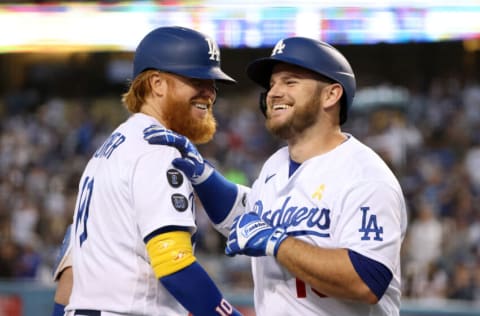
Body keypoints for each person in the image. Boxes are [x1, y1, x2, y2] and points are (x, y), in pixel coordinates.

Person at [144, 36, 408, 315]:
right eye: (272, 84)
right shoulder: (275, 166)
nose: (274, 92)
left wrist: (277, 242)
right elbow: (247, 221)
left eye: (290, 82)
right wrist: (204, 176)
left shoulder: (365, 176)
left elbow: (366, 281)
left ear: (331, 94)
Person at [51, 26, 243, 316]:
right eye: (197, 80)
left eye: (213, 84)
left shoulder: (108, 150)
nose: (210, 93)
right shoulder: (157, 149)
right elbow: (174, 265)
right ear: (157, 84)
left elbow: (71, 277)